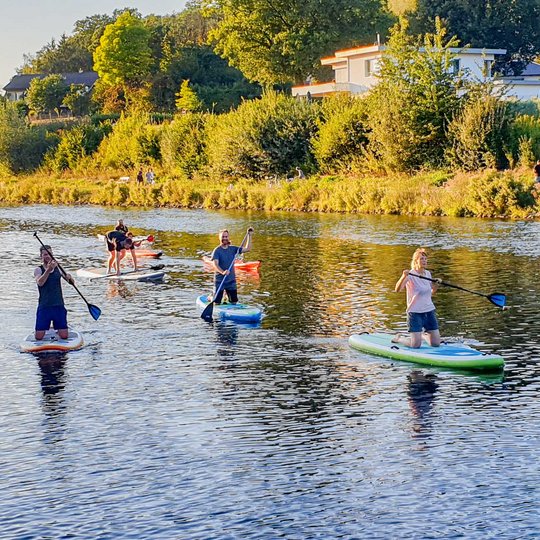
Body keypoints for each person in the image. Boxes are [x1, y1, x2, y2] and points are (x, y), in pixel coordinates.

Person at [393, 247, 442, 348]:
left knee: (436, 344)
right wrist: (403, 276)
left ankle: (423, 335)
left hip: (429, 311)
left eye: (425, 259)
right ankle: (400, 338)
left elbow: (431, 293)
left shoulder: (427, 274)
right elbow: (397, 290)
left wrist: (436, 285)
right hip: (415, 313)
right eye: (421, 259)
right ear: (416, 261)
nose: (424, 261)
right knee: (415, 345)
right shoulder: (410, 275)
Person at [34, 245, 74, 340]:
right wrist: (48, 270)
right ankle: (49, 328)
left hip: (58, 305)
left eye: (50, 254)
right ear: (41, 256)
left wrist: (69, 278)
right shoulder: (38, 270)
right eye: (45, 254)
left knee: (64, 336)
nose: (48, 256)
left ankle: (57, 329)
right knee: (39, 337)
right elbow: (40, 282)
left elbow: (71, 282)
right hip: (45, 306)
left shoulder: (58, 268)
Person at [210, 228, 253, 304]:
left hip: (231, 281)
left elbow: (248, 249)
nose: (224, 238)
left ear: (228, 237)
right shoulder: (217, 251)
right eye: (223, 237)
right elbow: (215, 264)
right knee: (217, 303)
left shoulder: (233, 249)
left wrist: (249, 235)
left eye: (226, 237)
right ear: (220, 238)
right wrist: (223, 272)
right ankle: (211, 297)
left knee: (234, 302)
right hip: (220, 281)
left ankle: (226, 297)